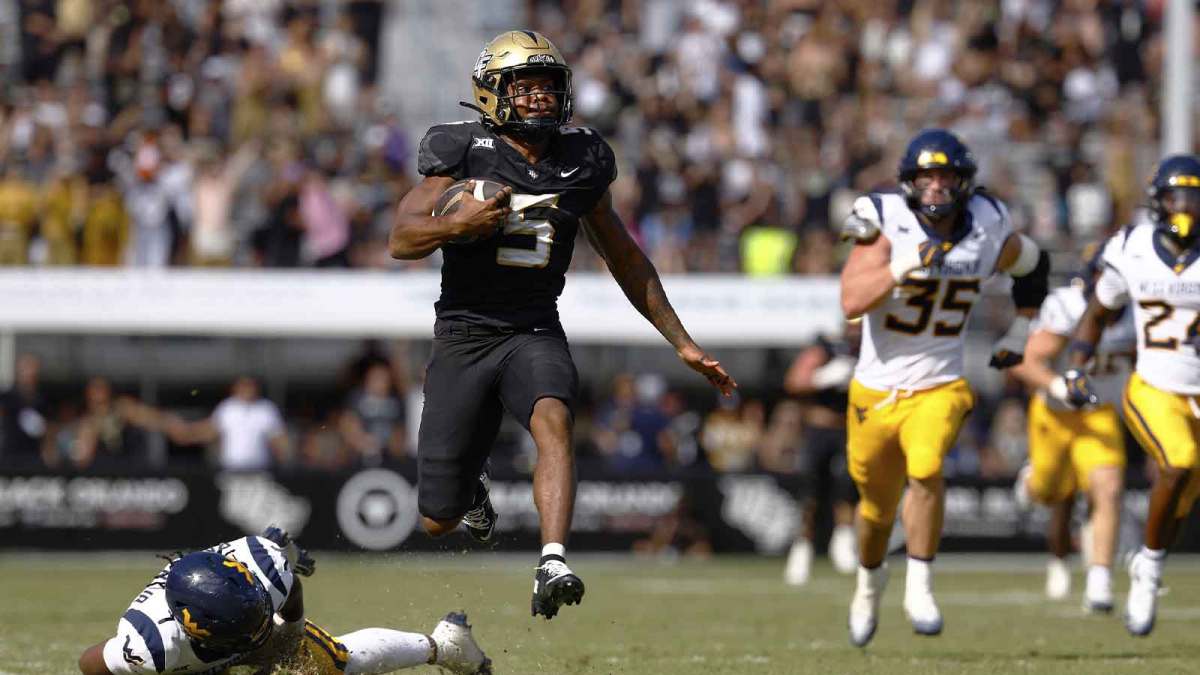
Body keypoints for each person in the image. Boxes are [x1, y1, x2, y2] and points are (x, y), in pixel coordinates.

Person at [389, 30, 737, 620]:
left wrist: (682, 343)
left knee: (554, 417)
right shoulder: (460, 151)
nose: (541, 99)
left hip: (533, 327)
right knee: (437, 517)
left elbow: (626, 257)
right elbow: (401, 239)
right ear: (493, 93)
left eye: (549, 87)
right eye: (525, 89)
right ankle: (473, 484)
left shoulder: (582, 159)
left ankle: (553, 559)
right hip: (464, 333)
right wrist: (459, 225)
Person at [838, 129, 1049, 646]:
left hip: (941, 383)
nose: (935, 187)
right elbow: (851, 300)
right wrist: (898, 267)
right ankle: (869, 582)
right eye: (925, 177)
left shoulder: (988, 226)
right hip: (874, 390)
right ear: (908, 182)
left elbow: (1034, 263)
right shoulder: (884, 221)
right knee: (875, 511)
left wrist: (1022, 328)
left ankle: (920, 584)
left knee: (928, 467)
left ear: (964, 182)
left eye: (945, 176)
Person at [1059, 154, 1200, 636]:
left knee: (1182, 497)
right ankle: (1151, 571)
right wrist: (1077, 364)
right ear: (1157, 202)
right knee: (1177, 461)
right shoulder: (1132, 247)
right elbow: (1098, 312)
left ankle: (1146, 557)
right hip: (1156, 384)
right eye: (1175, 197)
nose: (1185, 207)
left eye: (1195, 198)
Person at [77, 528, 491, 674]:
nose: (260, 637)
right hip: (187, 663)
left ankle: (446, 645)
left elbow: (288, 585)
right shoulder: (151, 646)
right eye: (248, 631)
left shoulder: (261, 571)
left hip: (252, 573)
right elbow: (90, 663)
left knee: (330, 665)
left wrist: (290, 633)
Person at [1008, 246, 1134, 612]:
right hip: (1055, 413)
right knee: (1050, 492)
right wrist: (1059, 385)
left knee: (1108, 489)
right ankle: (1030, 481)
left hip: (1100, 412)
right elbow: (1025, 361)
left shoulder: (1142, 307)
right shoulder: (1067, 306)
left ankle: (1100, 580)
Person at [782, 322, 861, 586]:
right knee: (811, 495)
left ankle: (844, 539)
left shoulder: (869, 347)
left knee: (847, 487)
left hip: (851, 427)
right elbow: (794, 381)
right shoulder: (825, 348)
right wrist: (822, 377)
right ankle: (802, 548)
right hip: (819, 429)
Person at [164, 376, 289, 471]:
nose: (247, 389)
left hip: (258, 468)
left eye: (250, 385)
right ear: (236, 387)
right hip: (231, 468)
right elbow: (210, 431)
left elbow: (278, 439)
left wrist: (285, 461)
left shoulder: (266, 409)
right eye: (243, 385)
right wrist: (187, 433)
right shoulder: (228, 408)